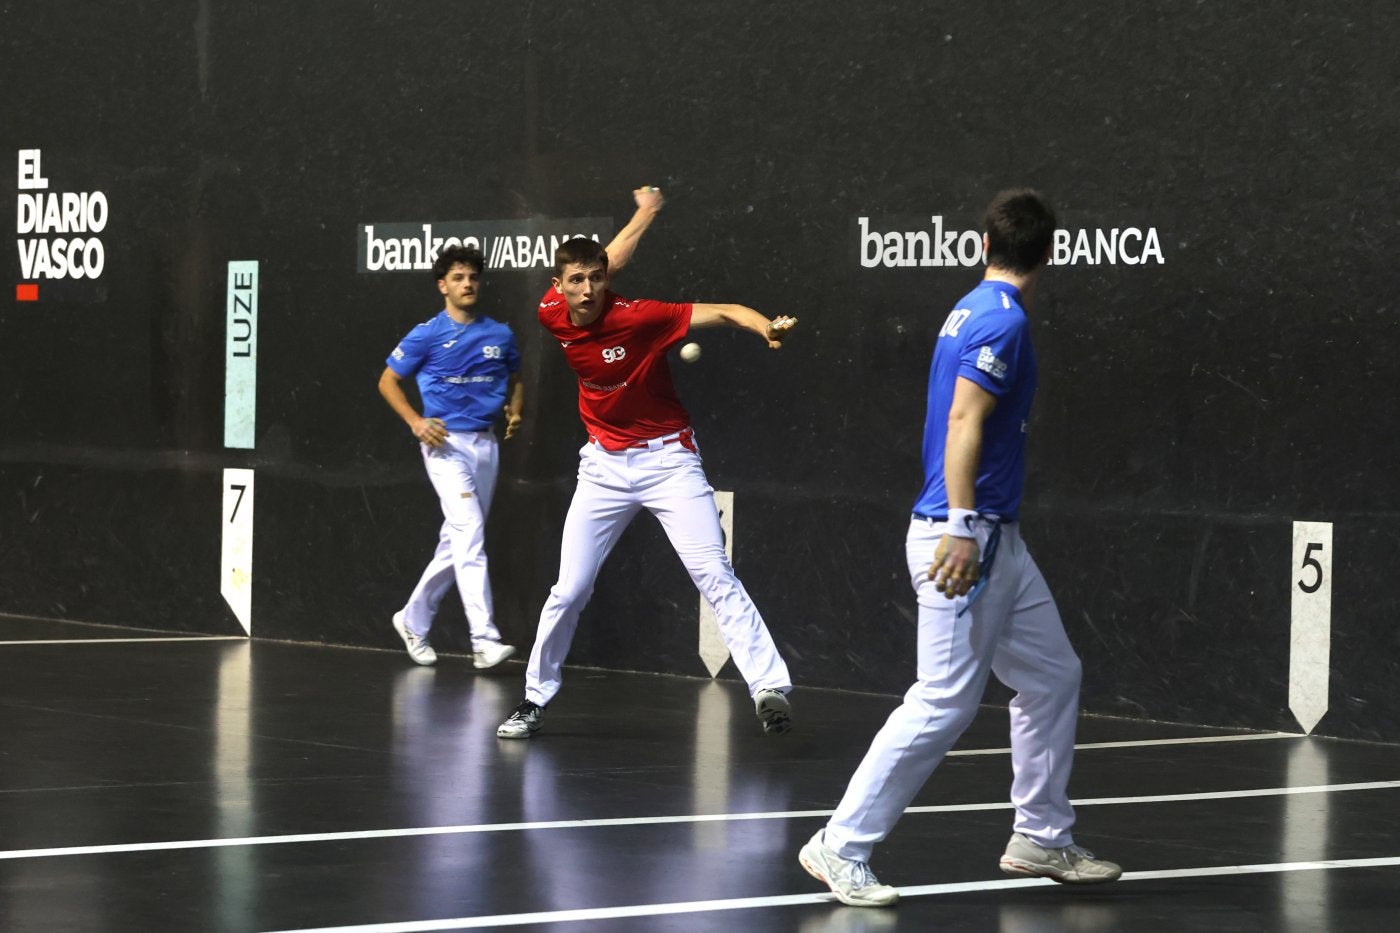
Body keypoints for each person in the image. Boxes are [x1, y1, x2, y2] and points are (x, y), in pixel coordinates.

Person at [798, 189, 1121, 908]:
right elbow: (963, 420)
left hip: (999, 540)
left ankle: (1040, 834)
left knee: (1052, 675)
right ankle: (840, 844)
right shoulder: (1002, 323)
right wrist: (962, 524)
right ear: (1050, 253)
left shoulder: (968, 307)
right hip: (965, 536)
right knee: (942, 700)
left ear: (984, 245)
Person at [496, 186, 797, 739]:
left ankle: (768, 687)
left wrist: (765, 328)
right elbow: (616, 249)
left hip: (669, 464)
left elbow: (726, 311)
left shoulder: (640, 318)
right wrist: (646, 212)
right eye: (577, 281)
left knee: (713, 573)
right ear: (558, 286)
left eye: (596, 278)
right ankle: (534, 699)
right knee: (569, 589)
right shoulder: (550, 313)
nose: (588, 290)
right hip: (603, 469)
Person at [378, 244, 522, 670]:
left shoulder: (500, 334)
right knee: (471, 534)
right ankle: (484, 639)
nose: (467, 284)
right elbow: (387, 380)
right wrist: (415, 422)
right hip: (444, 447)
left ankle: (412, 619)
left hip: (486, 446)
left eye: (473, 277)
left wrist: (517, 409)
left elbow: (516, 377)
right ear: (443, 286)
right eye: (458, 278)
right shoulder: (426, 334)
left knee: (456, 542)